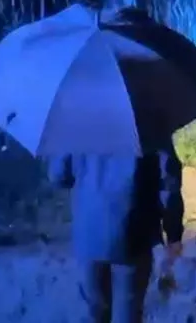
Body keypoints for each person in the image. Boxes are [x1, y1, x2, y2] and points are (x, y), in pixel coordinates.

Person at [47, 136, 184, 323]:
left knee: (93, 313)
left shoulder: (78, 124)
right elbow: (168, 184)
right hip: (133, 234)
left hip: (89, 233)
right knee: (128, 314)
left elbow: (58, 176)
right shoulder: (150, 126)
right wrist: (174, 233)